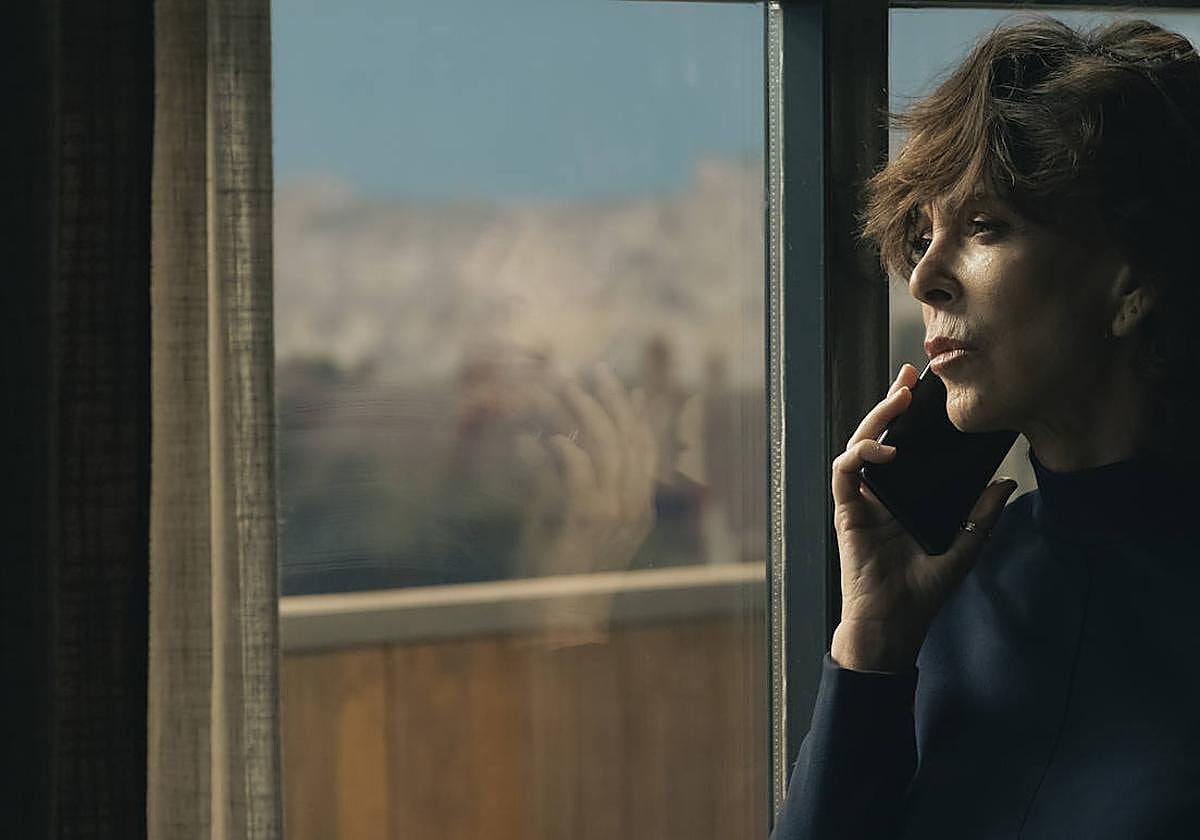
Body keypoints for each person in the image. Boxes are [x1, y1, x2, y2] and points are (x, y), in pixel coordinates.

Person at [772, 17, 1200, 839]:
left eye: (983, 227)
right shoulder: (953, 590)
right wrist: (872, 647)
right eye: (924, 235)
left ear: (1133, 282)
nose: (924, 277)